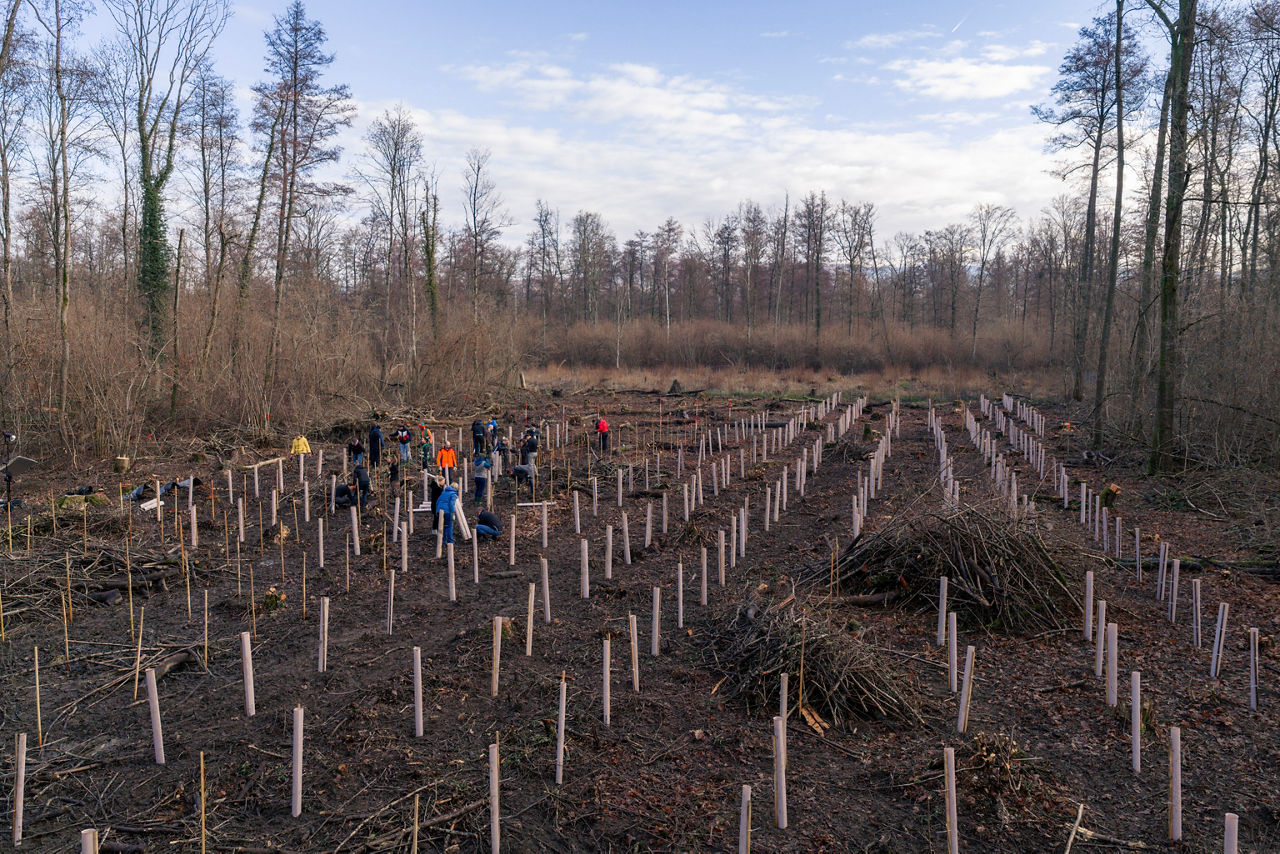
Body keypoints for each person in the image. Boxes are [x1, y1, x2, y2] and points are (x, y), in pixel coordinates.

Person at [435, 480, 459, 545]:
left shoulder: (444, 492)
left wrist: (437, 511)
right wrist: (453, 513)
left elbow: (437, 502)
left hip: (439, 511)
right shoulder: (453, 494)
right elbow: (451, 504)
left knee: (444, 526)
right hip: (447, 512)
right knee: (450, 526)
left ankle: (443, 541)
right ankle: (450, 541)